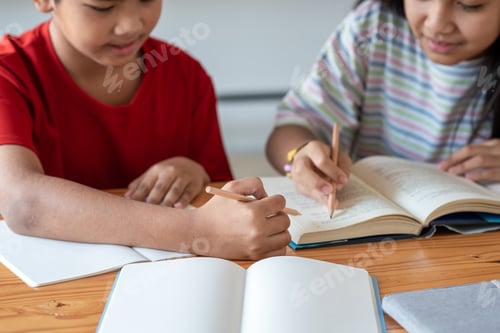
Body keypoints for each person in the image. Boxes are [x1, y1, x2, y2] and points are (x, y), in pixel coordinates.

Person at [0, 0, 291, 260]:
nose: (131, 25)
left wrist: (194, 171)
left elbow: (221, 197)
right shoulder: (10, 73)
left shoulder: (187, 76)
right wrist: (197, 231)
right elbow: (23, 202)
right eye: (103, 7)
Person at [266, 0, 500, 207]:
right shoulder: (373, 28)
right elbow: (291, 126)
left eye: (470, 5)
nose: (437, 24)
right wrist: (299, 156)